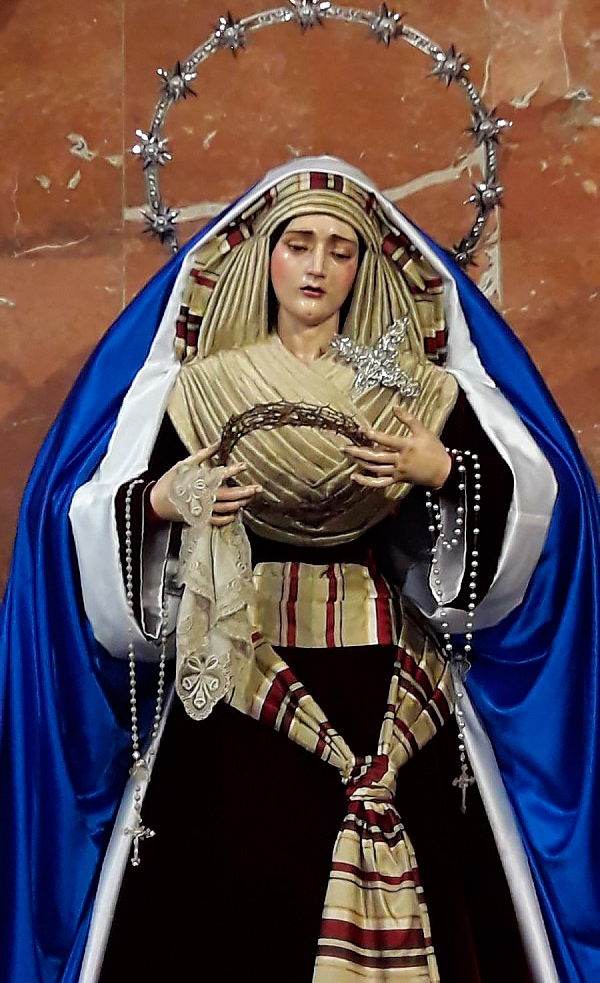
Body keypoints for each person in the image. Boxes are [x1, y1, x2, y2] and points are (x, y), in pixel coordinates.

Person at [1, 157, 598, 983]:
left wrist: (442, 471)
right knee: (242, 898)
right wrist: (162, 502)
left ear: (363, 268)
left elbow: (534, 501)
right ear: (264, 258)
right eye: (299, 244)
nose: (317, 267)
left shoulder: (413, 390)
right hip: (241, 667)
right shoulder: (200, 388)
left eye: (340, 250)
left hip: (386, 670)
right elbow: (90, 511)